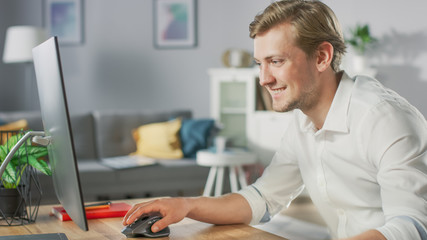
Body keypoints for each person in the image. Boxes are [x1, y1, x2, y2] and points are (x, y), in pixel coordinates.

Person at [123, 1, 427, 239]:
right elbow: (263, 198)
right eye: (259, 64)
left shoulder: (385, 119)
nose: (264, 79)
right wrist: (186, 206)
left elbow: (412, 226)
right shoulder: (303, 121)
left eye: (276, 61)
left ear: (322, 57)